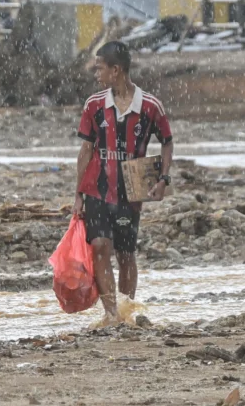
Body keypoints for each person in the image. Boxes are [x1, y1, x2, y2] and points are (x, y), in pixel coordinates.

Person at [73, 41, 173, 325]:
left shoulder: (151, 106)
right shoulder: (93, 105)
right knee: (100, 246)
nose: (96, 74)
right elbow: (85, 151)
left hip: (131, 188)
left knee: (126, 253)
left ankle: (127, 310)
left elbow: (167, 142)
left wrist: (163, 179)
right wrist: (78, 194)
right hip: (97, 186)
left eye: (100, 68)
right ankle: (111, 314)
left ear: (116, 70)